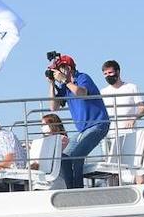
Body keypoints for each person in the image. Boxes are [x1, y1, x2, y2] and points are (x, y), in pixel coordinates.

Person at [47, 54, 110, 189]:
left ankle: (77, 190)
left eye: (58, 69)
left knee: (75, 156)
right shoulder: (65, 87)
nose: (56, 73)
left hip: (98, 124)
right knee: (64, 157)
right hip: (84, 130)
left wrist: (65, 81)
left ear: (67, 68)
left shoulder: (82, 77)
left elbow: (81, 93)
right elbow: (54, 107)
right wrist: (52, 84)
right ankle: (72, 189)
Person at [99, 60, 144, 130]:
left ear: (117, 72)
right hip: (110, 133)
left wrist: (133, 119)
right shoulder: (103, 92)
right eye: (105, 74)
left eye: (110, 72)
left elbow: (143, 109)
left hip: (129, 132)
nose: (108, 76)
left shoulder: (131, 87)